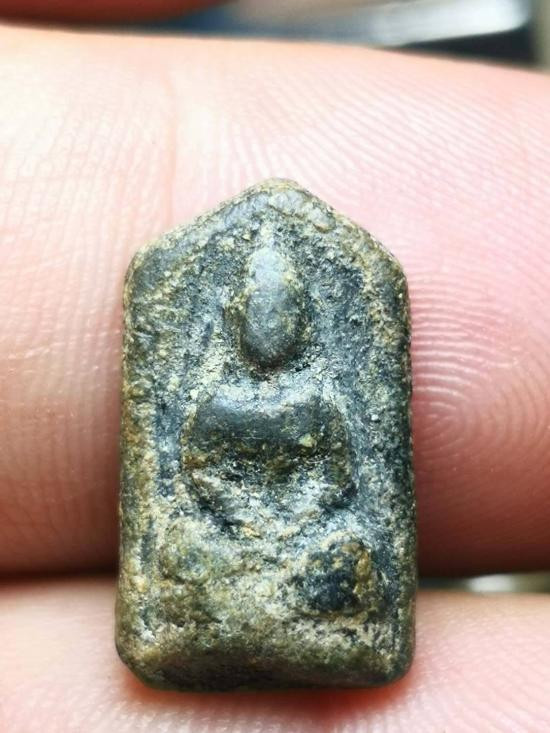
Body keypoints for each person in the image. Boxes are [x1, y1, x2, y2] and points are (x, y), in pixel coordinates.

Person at [0, 2, 549, 730]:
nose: (270, 330)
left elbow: (342, 478)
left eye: (283, 316)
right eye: (258, 317)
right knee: (179, 548)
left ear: (300, 322)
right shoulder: (213, 392)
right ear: (236, 320)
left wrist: (295, 527)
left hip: (307, 536)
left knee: (351, 555)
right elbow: (194, 474)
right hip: (223, 536)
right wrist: (240, 527)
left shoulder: (321, 395)